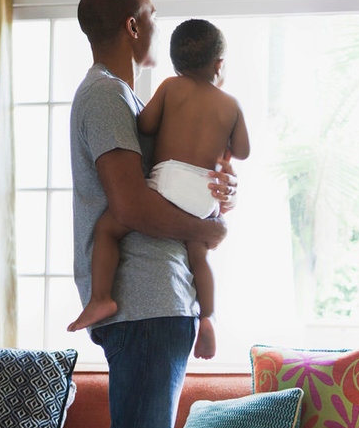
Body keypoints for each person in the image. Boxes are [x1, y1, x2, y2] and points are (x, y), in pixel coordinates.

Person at [69, 0, 237, 428]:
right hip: (145, 300)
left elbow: (163, 187)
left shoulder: (132, 99)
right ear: (132, 26)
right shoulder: (105, 94)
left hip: (159, 300)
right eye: (153, 15)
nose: (158, 26)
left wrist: (217, 193)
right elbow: (132, 207)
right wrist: (205, 231)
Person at [69, 18, 250, 362]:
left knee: (107, 229)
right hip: (204, 192)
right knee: (199, 254)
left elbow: (145, 125)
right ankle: (208, 318)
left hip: (170, 181)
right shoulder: (231, 104)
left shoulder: (170, 87)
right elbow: (241, 151)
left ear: (177, 62)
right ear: (219, 64)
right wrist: (223, 159)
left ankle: (101, 297)